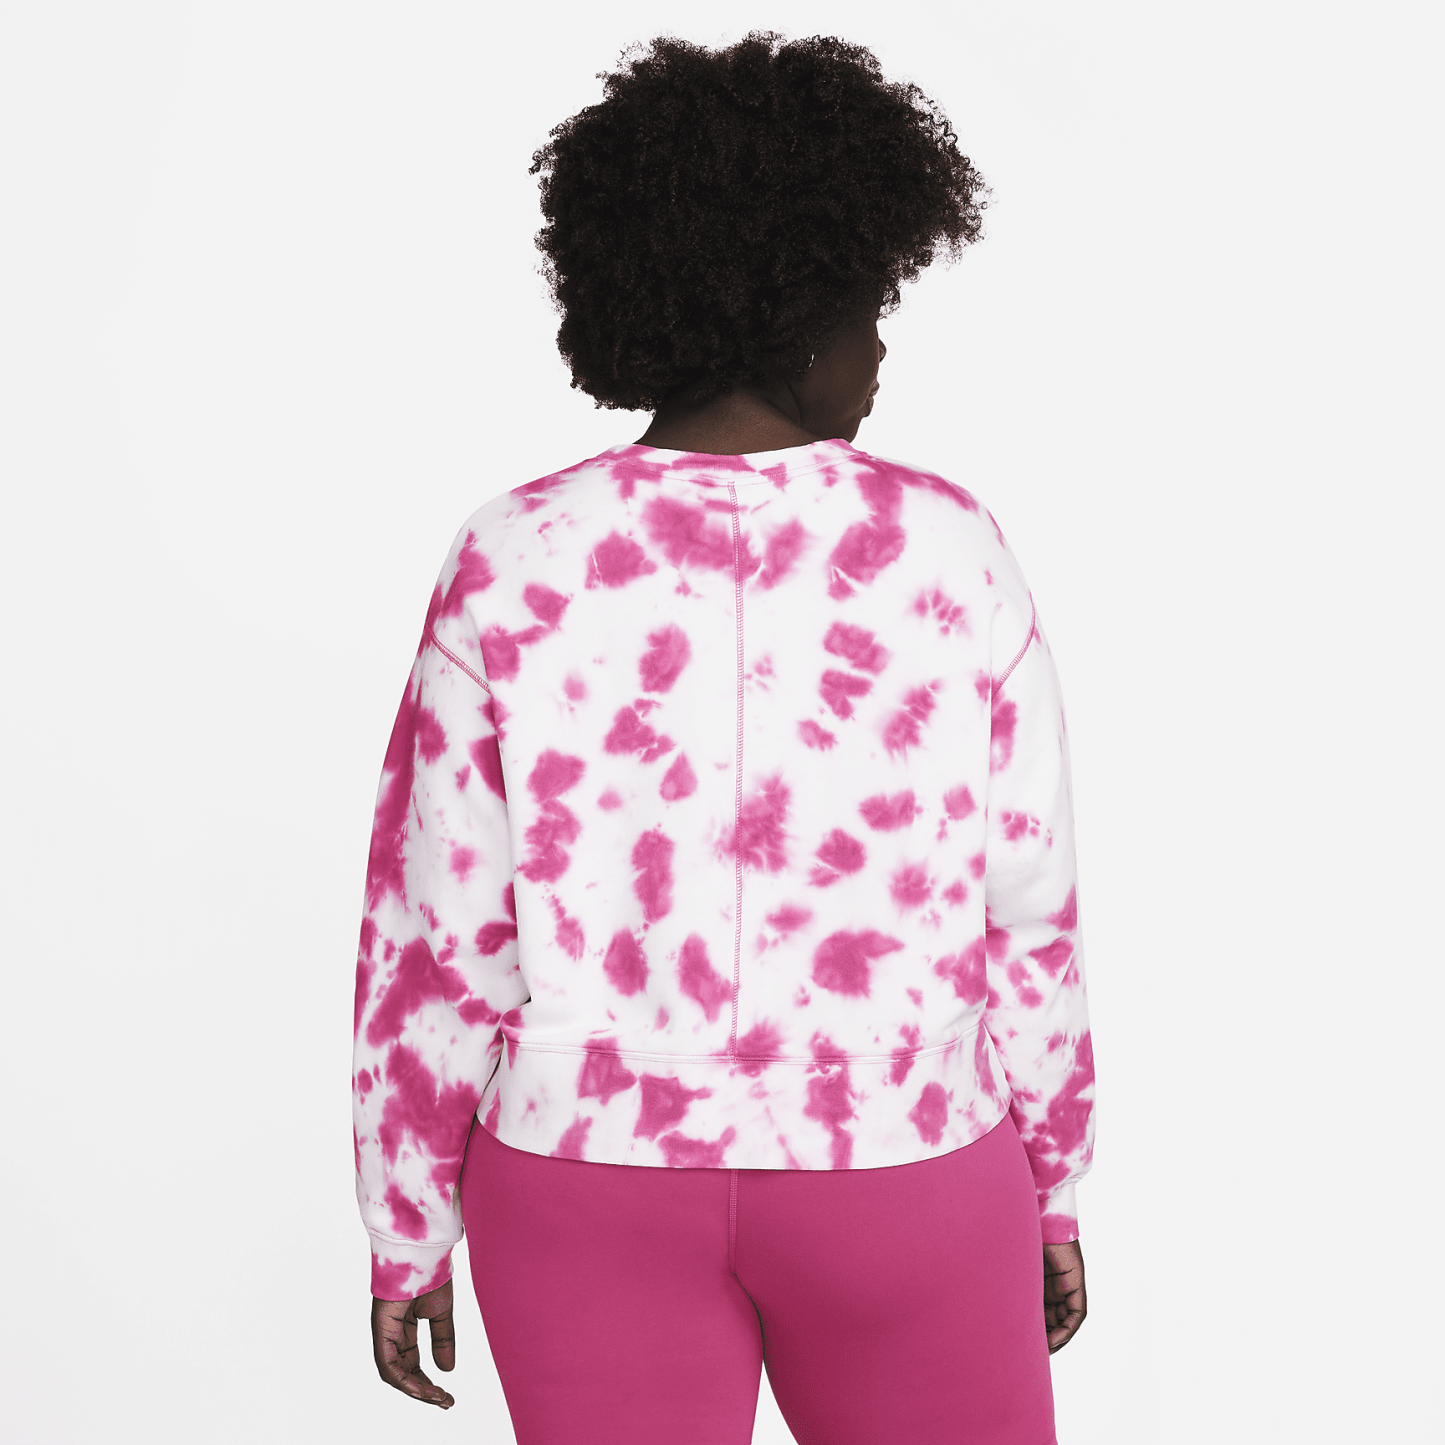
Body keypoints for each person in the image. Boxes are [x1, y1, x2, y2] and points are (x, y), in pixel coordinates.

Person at [353, 31, 1095, 1444]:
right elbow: (1030, 912)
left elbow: (435, 927)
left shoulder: (510, 553)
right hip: (901, 1168)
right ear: (799, 310)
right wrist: (1052, 1185)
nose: (880, 349)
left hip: (583, 1179)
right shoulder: (950, 548)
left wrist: (405, 1219)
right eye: (869, 307)